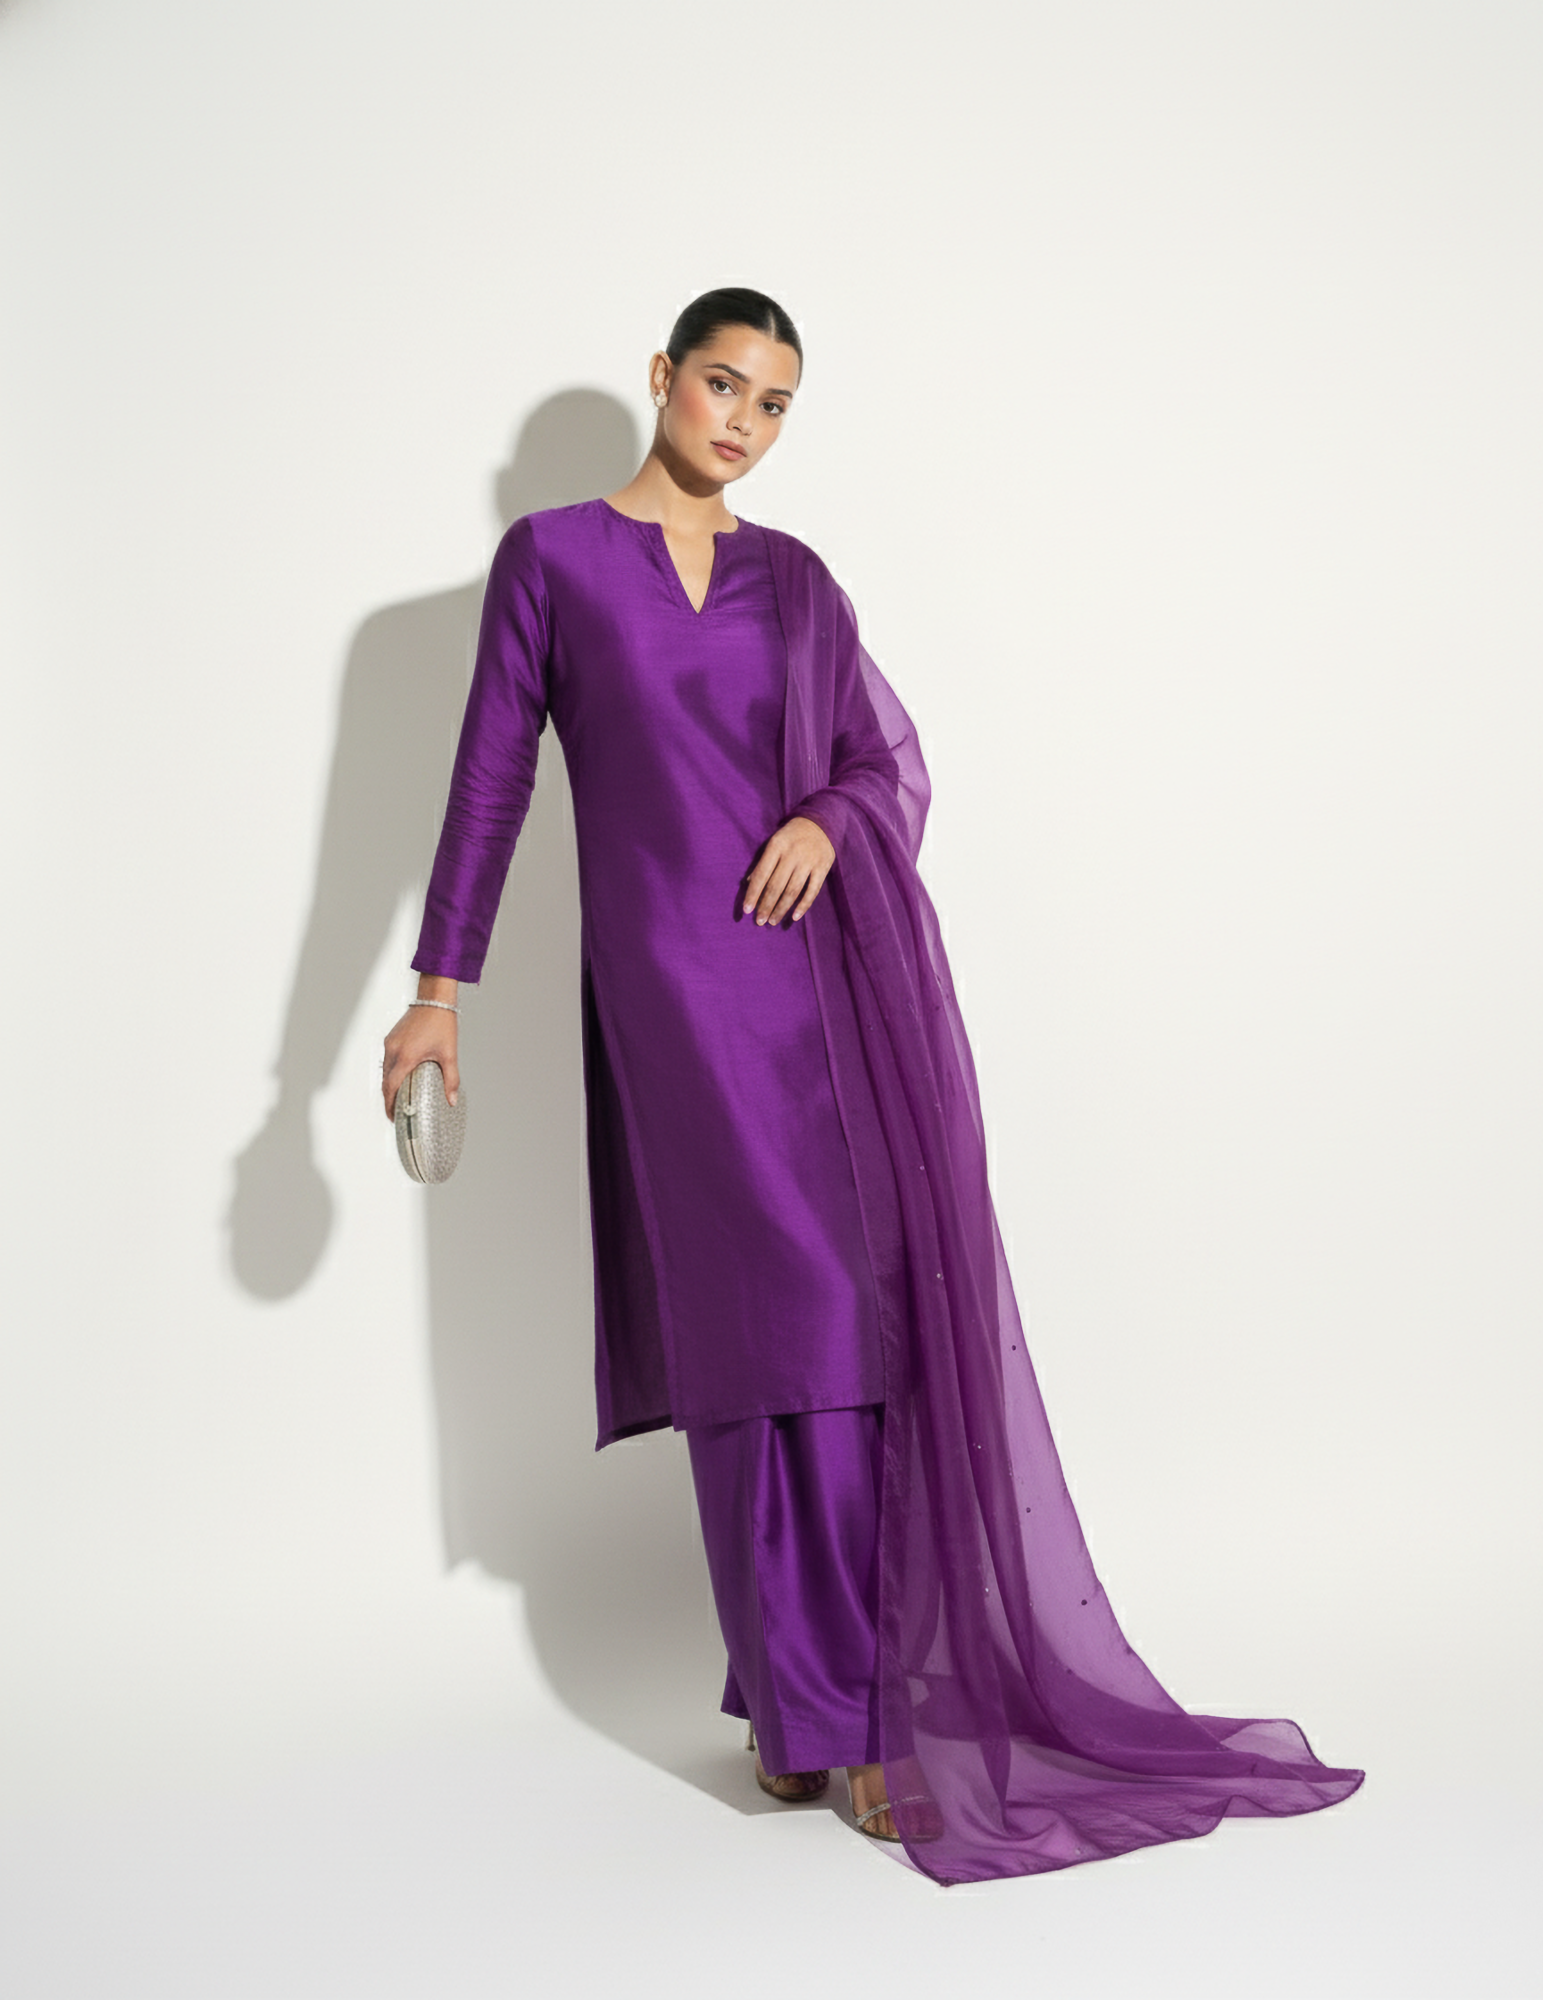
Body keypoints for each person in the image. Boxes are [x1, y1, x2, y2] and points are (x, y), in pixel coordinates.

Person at [379, 287, 1364, 1886]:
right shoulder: (552, 562)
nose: (743, 424)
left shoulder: (795, 580)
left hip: (813, 995)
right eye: (722, 386)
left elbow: (881, 760)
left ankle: (825, 1716)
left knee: (838, 1331)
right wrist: (439, 997)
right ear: (663, 377)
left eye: (773, 404)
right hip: (666, 995)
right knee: (742, 1344)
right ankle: (813, 1710)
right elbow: (492, 776)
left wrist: (827, 821)